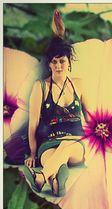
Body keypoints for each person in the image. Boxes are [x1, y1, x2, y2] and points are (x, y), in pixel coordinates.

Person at [23, 37, 89, 197]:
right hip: (48, 143)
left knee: (65, 147)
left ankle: (40, 177)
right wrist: (33, 154)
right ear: (49, 64)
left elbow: (89, 116)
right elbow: (33, 124)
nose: (58, 66)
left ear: (69, 62)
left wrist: (102, 141)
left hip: (76, 143)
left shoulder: (78, 84)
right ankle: (55, 183)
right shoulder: (41, 87)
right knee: (55, 163)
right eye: (54, 62)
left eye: (62, 61)